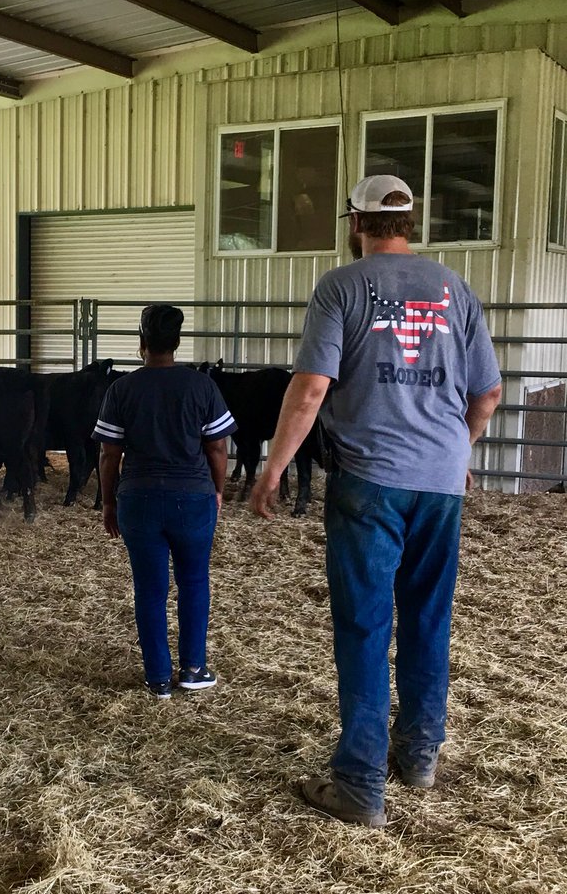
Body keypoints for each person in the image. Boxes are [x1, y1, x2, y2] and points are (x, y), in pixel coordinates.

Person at [249, 174, 503, 827]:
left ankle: (361, 784)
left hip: (369, 479)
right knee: (427, 617)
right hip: (440, 481)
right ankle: (418, 756)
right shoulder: (455, 290)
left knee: (365, 626)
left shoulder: (341, 287)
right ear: (411, 223)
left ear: (354, 222)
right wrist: (458, 451)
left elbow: (309, 391)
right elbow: (488, 396)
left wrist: (274, 466)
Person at [92, 304, 236, 700]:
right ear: (177, 342)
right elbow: (218, 448)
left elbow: (109, 454)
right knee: (193, 582)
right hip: (192, 498)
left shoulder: (121, 389)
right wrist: (218, 489)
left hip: (137, 499)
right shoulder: (201, 387)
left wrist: (108, 503)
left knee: (150, 589)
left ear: (142, 344)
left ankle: (157, 677)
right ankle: (193, 669)